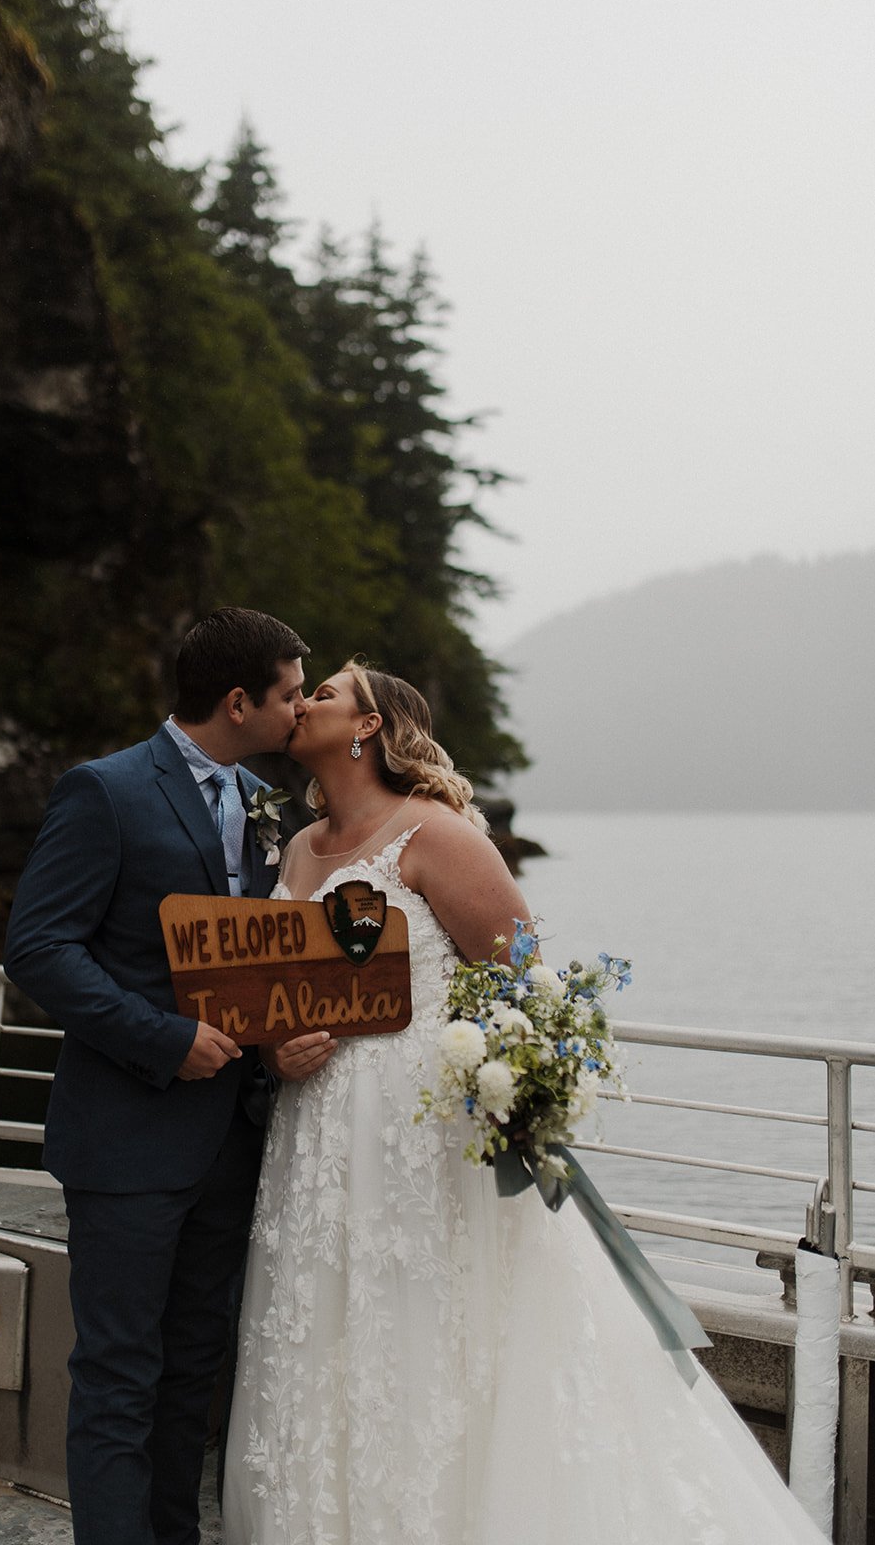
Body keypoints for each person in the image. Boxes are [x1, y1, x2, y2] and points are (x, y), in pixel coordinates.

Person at [222, 659, 829, 1545]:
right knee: (321, 1329)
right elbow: (285, 999)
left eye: (325, 692)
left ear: (365, 728)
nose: (304, 701)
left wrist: (510, 1091)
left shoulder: (435, 834)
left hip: (418, 1125)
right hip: (313, 1128)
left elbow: (523, 985)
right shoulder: (295, 850)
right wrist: (281, 1054)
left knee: (427, 1333)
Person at [4, 607, 309, 1545]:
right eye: (291, 694)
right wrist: (160, 1038)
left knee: (193, 1374)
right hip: (128, 1135)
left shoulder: (272, 803)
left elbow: (266, 953)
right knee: (120, 1373)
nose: (300, 711)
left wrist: (284, 1037)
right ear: (236, 700)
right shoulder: (104, 790)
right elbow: (40, 948)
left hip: (233, 1136)